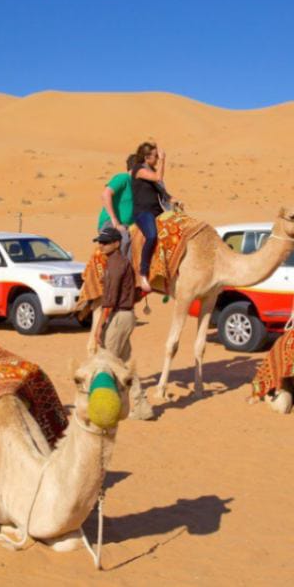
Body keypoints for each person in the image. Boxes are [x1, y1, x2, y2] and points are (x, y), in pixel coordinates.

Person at [94, 226, 152, 419]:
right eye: (100, 242)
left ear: (117, 243)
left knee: (107, 360)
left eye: (105, 242)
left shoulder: (117, 264)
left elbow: (110, 298)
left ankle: (107, 405)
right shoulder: (115, 262)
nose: (101, 245)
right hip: (123, 315)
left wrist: (99, 325)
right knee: (125, 363)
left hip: (119, 316)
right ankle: (141, 406)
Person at [130, 141, 169, 292]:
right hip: (143, 212)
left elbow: (162, 192)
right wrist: (164, 160)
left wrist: (172, 199)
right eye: (155, 156)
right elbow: (158, 177)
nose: (158, 158)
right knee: (151, 236)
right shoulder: (138, 170)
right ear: (147, 157)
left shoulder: (150, 170)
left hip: (158, 210)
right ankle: (143, 272)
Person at [97, 154, 137, 258]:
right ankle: (120, 270)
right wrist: (115, 221)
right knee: (125, 239)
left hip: (128, 226)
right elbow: (105, 194)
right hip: (111, 223)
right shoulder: (123, 178)